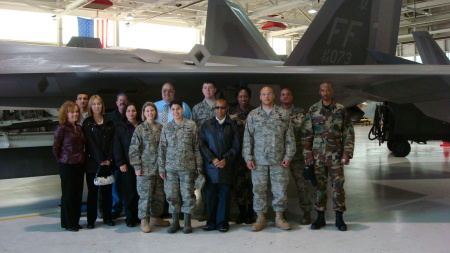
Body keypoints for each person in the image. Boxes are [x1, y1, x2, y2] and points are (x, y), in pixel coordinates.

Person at [301, 81, 355, 232]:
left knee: (338, 187)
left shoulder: (341, 110)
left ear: (332, 92)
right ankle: (320, 217)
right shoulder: (313, 110)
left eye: (328, 90)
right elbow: (306, 134)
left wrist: (347, 153)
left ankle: (339, 217)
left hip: (336, 156)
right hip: (318, 157)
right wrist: (308, 155)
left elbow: (348, 133)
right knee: (319, 187)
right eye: (323, 90)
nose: (325, 93)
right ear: (320, 92)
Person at [243, 86, 296, 232]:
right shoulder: (253, 115)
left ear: (273, 96)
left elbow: (290, 138)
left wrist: (288, 156)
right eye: (263, 94)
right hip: (258, 161)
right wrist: (248, 157)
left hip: (278, 161)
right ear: (259, 97)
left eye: (269, 94)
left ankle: (279, 217)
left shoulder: (283, 114)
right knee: (258, 190)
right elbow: (248, 138)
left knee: (280, 190)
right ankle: (260, 218)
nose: (266, 96)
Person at [158, 99, 203, 234]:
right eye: (173, 109)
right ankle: (175, 222)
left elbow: (196, 146)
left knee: (187, 194)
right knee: (172, 195)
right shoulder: (166, 127)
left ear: (182, 109)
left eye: (178, 108)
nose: (176, 111)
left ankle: (187, 222)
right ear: (170, 111)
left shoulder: (191, 125)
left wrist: (199, 165)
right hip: (170, 168)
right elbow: (162, 149)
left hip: (188, 167)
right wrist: (161, 168)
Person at [199, 99, 240, 232]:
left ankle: (222, 223)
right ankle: (210, 222)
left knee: (224, 195)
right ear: (214, 109)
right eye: (217, 108)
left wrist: (225, 159)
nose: (219, 110)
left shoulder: (232, 125)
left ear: (227, 108)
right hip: (211, 166)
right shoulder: (207, 125)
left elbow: (236, 145)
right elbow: (202, 144)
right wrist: (213, 159)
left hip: (226, 165)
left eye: (222, 108)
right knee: (210, 195)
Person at [129, 102, 170, 233]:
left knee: (159, 195)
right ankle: (144, 220)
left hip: (159, 168)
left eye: (152, 110)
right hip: (145, 169)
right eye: (147, 111)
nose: (150, 113)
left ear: (155, 112)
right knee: (145, 196)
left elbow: (165, 148)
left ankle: (156, 217)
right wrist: (137, 166)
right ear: (144, 113)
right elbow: (134, 149)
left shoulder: (161, 127)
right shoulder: (140, 129)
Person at [280, 88, 312, 224]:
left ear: (292, 97)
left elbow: (302, 128)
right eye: (283, 95)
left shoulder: (300, 112)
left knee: (302, 184)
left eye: (288, 94)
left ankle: (306, 212)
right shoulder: (276, 112)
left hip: (297, 154)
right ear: (280, 97)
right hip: (282, 155)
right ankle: (281, 212)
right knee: (281, 185)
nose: (285, 97)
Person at [82, 95, 116, 229]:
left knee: (108, 193)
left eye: (99, 104)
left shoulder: (109, 121)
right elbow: (90, 143)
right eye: (94, 104)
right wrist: (100, 159)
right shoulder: (87, 123)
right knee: (93, 194)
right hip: (93, 164)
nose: (97, 106)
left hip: (108, 163)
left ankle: (107, 218)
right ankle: (91, 220)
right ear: (91, 106)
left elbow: (113, 141)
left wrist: (109, 159)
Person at [53, 101, 85, 232]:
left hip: (79, 164)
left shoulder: (79, 128)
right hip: (67, 165)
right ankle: (68, 222)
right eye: (72, 112)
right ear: (66, 114)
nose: (75, 114)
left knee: (77, 194)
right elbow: (56, 148)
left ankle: (75, 221)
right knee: (68, 194)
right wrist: (62, 161)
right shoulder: (61, 128)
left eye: (76, 111)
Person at [228, 87, 256, 224]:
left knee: (252, 183)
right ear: (237, 98)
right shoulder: (231, 113)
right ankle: (242, 212)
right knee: (238, 184)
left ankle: (251, 211)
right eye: (240, 96)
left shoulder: (256, 112)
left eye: (245, 96)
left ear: (249, 97)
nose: (243, 99)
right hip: (237, 155)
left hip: (253, 154)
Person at [191, 81, 217, 221]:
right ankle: (205, 211)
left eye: (210, 87)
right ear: (202, 90)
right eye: (205, 88)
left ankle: (218, 211)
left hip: (219, 151)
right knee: (202, 183)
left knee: (218, 182)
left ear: (215, 90)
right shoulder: (196, 108)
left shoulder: (221, 106)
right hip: (202, 152)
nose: (208, 90)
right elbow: (194, 132)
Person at [113, 103, 141, 227]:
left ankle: (138, 216)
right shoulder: (120, 127)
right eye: (129, 111)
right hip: (127, 166)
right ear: (125, 113)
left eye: (133, 110)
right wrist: (120, 162)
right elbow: (117, 146)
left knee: (140, 192)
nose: (131, 113)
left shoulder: (141, 126)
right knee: (129, 192)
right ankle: (130, 218)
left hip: (141, 165)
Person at [109, 93, 129, 219]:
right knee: (115, 185)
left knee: (128, 186)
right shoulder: (110, 118)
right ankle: (116, 209)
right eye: (120, 101)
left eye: (124, 101)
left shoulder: (131, 116)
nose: (122, 103)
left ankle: (128, 208)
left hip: (128, 158)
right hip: (115, 156)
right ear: (116, 103)